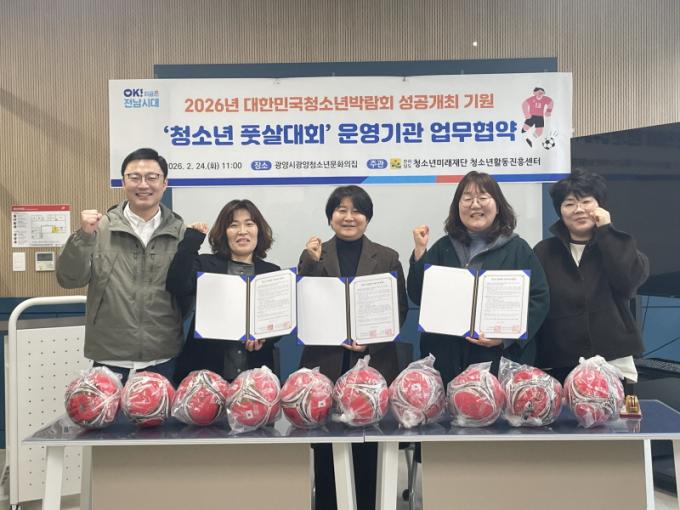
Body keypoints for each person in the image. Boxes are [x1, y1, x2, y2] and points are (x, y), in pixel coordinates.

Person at [298, 185, 407, 510]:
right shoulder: (315, 254)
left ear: (367, 217)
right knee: (327, 450)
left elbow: (398, 310)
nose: (349, 217)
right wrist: (309, 261)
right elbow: (304, 304)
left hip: (373, 365)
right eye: (341, 210)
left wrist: (370, 339)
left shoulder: (387, 257)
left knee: (370, 448)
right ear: (330, 217)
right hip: (326, 365)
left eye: (356, 210)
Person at [407, 171, 550, 385]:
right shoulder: (443, 247)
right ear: (457, 207)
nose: (475, 205)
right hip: (446, 359)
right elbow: (418, 295)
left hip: (497, 362)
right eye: (467, 198)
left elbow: (539, 299)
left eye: (483, 197)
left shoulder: (518, 249)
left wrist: (505, 338)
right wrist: (420, 252)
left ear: (498, 205)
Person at [56, 148, 185, 384]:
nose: (143, 184)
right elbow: (69, 279)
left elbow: (188, 293)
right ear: (123, 182)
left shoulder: (180, 233)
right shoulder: (99, 229)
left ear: (164, 183)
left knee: (162, 411)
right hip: (109, 358)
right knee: (106, 411)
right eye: (134, 177)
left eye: (152, 177)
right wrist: (83, 237)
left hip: (163, 357)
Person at [534, 169, 649, 384]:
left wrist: (607, 230)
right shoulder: (544, 251)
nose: (579, 210)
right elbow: (535, 302)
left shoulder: (618, 244)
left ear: (600, 205)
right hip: (559, 360)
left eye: (586, 201)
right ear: (560, 211)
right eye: (569, 204)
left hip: (614, 359)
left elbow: (629, 283)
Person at [166, 199, 281, 384]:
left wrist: (265, 337)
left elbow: (277, 322)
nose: (242, 231)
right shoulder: (205, 265)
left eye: (249, 224)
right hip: (205, 375)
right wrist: (191, 241)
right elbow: (176, 284)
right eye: (233, 225)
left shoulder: (272, 272)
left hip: (254, 377)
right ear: (224, 232)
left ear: (258, 230)